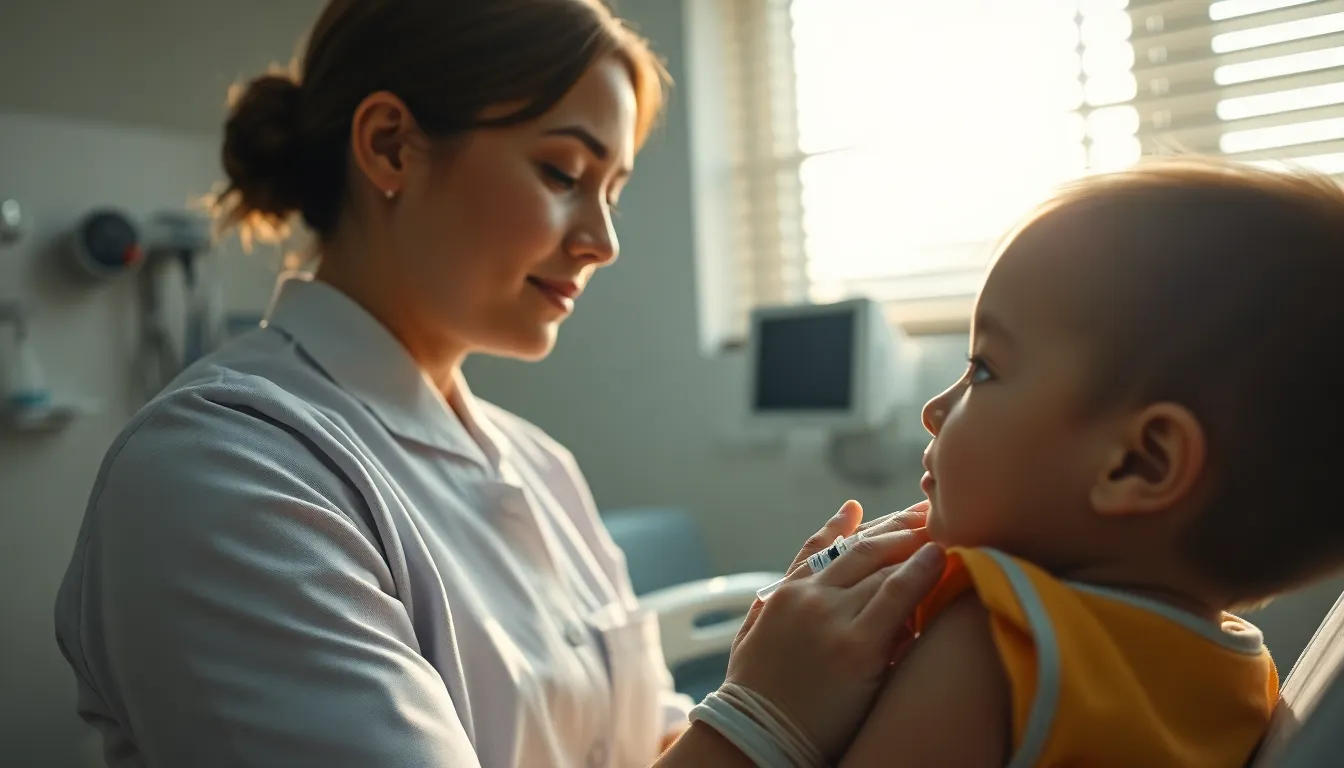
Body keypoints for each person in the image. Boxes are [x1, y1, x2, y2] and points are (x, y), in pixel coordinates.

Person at [50, 1, 947, 766]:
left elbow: (622, 744)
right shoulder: (223, 476)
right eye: (563, 172)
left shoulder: (539, 465)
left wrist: (805, 677)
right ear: (392, 146)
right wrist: (760, 716)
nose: (603, 240)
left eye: (614, 190)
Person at [835, 159, 1344, 766]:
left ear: (1139, 463)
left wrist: (766, 717)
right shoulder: (1246, 680)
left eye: (986, 368)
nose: (935, 408)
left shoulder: (997, 642)